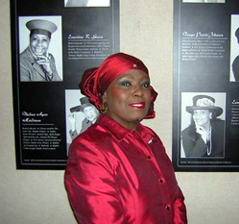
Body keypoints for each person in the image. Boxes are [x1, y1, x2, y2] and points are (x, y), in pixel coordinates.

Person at [65, 53, 187, 224]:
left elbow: (175, 200)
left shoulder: (151, 139)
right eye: (126, 83)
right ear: (104, 94)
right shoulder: (89, 149)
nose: (139, 92)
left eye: (145, 84)